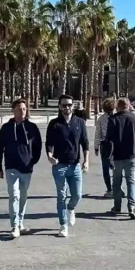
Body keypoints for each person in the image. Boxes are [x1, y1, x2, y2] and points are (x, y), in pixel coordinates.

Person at [0, 99, 43, 238]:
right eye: (19, 109)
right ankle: (14, 226)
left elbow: (38, 146)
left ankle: (20, 221)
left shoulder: (32, 128)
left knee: (23, 196)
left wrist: (33, 161)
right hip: (11, 167)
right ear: (13, 111)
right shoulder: (6, 128)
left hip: (27, 168)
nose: (22, 112)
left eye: (24, 109)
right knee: (14, 196)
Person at [45, 95, 89, 238]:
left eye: (69, 105)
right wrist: (50, 155)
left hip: (75, 165)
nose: (67, 108)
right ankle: (63, 224)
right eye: (64, 105)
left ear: (73, 106)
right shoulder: (54, 124)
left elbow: (85, 142)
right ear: (59, 106)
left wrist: (86, 161)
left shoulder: (80, 122)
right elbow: (49, 142)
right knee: (61, 195)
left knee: (77, 195)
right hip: (59, 166)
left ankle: (71, 209)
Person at [105, 97, 135, 219]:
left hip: (117, 156)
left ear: (119, 106)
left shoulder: (113, 119)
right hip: (131, 155)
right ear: (128, 106)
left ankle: (117, 206)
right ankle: (131, 206)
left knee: (116, 182)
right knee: (131, 181)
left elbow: (109, 140)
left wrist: (108, 156)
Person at [95, 98, 115, 197]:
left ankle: (109, 189)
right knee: (117, 168)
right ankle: (117, 187)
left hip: (105, 145)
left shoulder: (101, 119)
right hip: (116, 144)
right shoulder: (117, 117)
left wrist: (96, 147)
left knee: (105, 168)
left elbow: (98, 134)